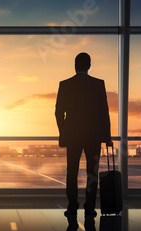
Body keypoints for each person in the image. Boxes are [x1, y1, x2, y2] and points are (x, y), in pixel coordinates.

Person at [55, 52, 112, 217]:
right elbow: (104, 113)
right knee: (92, 173)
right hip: (94, 136)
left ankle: (72, 206)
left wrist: (63, 131)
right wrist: (106, 136)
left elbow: (59, 112)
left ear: (75, 65)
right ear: (89, 66)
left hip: (72, 135)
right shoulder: (98, 84)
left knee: (71, 172)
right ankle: (89, 207)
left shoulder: (65, 85)